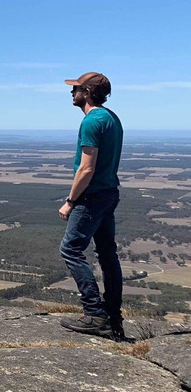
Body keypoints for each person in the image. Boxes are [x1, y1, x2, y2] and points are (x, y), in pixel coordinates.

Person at [58, 72, 124, 338]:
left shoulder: (91, 122)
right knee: (108, 255)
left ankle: (95, 314)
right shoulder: (111, 118)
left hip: (91, 197)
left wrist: (70, 201)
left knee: (70, 250)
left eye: (75, 89)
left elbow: (86, 168)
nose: (71, 93)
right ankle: (113, 316)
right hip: (109, 194)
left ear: (86, 92)